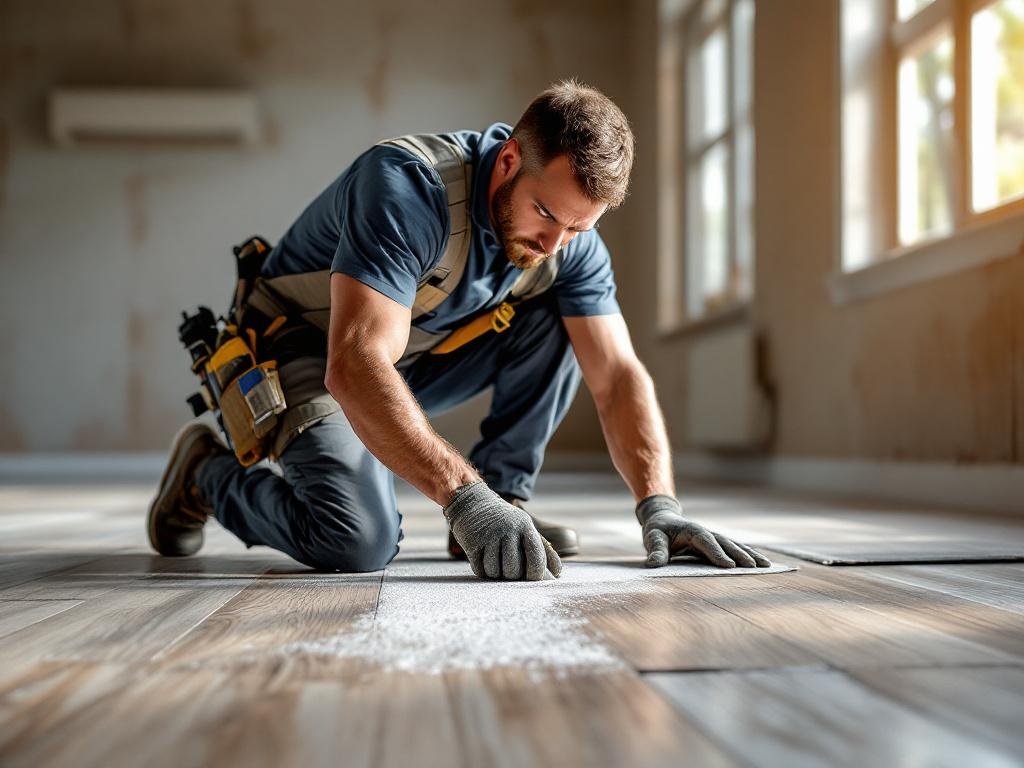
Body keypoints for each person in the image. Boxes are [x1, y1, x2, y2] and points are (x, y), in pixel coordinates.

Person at [148, 79, 770, 581]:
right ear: (507, 161)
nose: (556, 243)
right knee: (356, 539)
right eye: (547, 215)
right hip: (306, 351)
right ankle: (206, 472)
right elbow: (356, 364)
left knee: (558, 311)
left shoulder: (568, 242)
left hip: (412, 356)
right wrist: (462, 497)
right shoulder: (405, 187)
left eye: (578, 229)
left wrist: (659, 503)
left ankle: (505, 514)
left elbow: (616, 376)